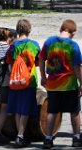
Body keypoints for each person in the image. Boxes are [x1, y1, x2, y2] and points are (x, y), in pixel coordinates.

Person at [39, 19, 82, 149]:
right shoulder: (73, 46)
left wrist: (43, 77)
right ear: (73, 32)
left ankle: (48, 139)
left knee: (52, 111)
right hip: (70, 85)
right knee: (74, 111)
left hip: (53, 85)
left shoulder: (49, 42)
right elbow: (77, 67)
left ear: (62, 28)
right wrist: (81, 83)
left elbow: (41, 59)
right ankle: (76, 138)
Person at [7, 19, 40, 148]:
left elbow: (9, 63)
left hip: (15, 80)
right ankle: (20, 135)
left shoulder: (13, 46)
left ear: (17, 30)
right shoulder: (34, 45)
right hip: (29, 80)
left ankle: (18, 134)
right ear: (29, 30)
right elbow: (38, 62)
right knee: (25, 109)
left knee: (17, 109)